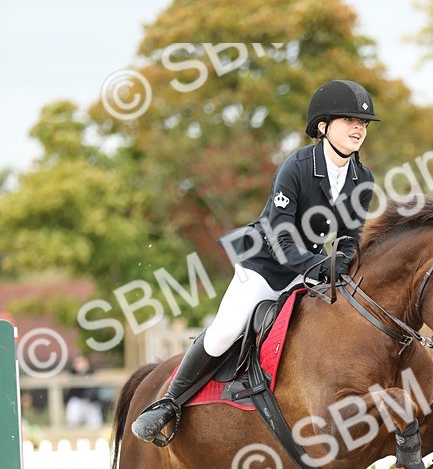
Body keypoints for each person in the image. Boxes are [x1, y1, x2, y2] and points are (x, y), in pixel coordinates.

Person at [132, 79, 379, 445]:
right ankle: (169, 403)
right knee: (227, 330)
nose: (358, 127)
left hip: (308, 270)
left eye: (363, 123)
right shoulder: (296, 166)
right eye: (348, 120)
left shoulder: (362, 178)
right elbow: (280, 231)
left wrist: (340, 263)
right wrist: (314, 267)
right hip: (263, 265)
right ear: (323, 127)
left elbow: (350, 235)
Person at [65, 352, 104, 429]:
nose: (80, 365)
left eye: (82, 361)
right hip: (78, 402)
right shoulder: (73, 373)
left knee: (95, 423)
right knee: (73, 411)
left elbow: (94, 391)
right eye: (77, 362)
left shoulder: (92, 372)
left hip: (90, 402)